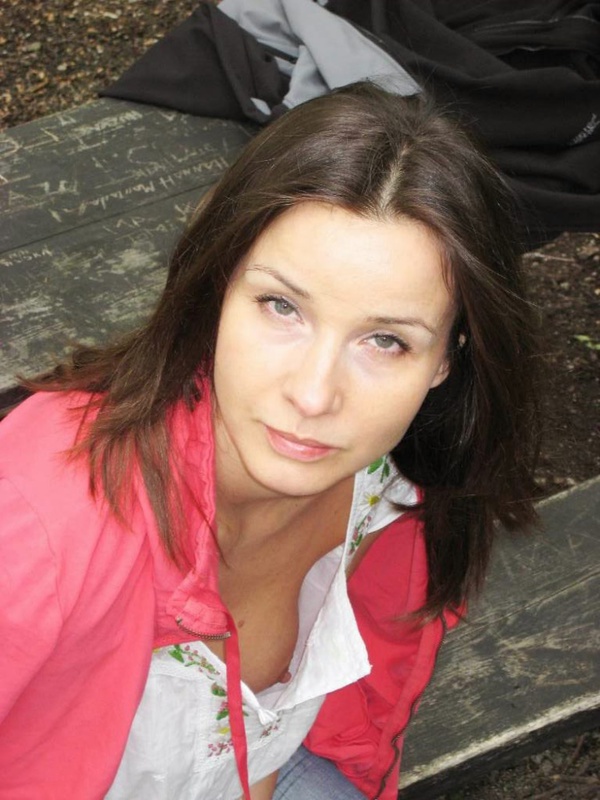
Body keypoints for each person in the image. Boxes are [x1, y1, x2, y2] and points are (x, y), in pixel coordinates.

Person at [0, 82, 540, 800]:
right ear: (216, 286)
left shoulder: (394, 483)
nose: (314, 396)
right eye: (281, 306)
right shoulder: (39, 522)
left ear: (446, 358)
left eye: (385, 340)